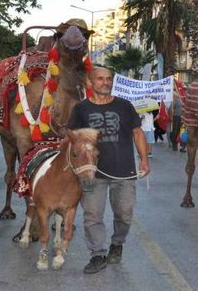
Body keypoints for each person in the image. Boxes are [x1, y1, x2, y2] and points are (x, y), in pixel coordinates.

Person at [68, 67, 150, 274]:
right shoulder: (81, 109)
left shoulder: (124, 106)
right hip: (92, 173)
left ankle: (117, 243)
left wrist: (144, 159)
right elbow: (72, 139)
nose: (105, 82)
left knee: (124, 214)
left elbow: (137, 132)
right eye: (100, 79)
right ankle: (97, 254)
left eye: (108, 79)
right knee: (92, 215)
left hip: (124, 171)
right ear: (90, 82)